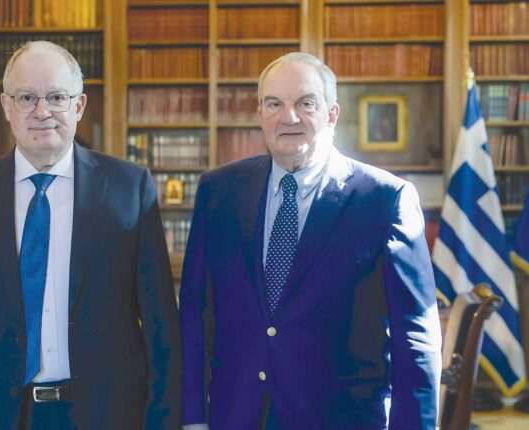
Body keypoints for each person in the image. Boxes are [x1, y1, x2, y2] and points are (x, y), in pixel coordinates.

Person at [0, 41, 181, 429]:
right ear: (7, 106)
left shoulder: (129, 189)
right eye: (27, 97)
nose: (42, 112)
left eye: (57, 97)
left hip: (105, 415)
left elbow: (162, 328)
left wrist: (162, 422)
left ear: (79, 106)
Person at [180, 52, 441, 429]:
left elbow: (414, 336)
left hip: (342, 419)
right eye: (274, 104)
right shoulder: (219, 191)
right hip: (235, 415)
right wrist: (192, 417)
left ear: (331, 114)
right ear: (259, 114)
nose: (289, 117)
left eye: (306, 103)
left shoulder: (385, 199)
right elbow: (194, 314)